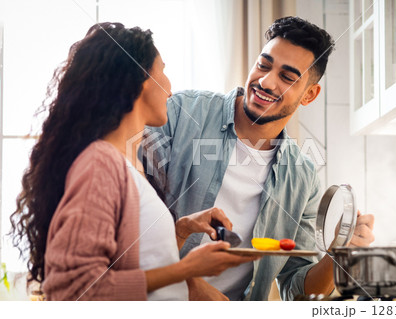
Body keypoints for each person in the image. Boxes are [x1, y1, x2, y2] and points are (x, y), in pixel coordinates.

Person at [9, 22, 257, 301]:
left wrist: (183, 229)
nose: (171, 88)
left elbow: (142, 263)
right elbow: (74, 289)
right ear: (140, 80)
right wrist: (186, 269)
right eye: (163, 70)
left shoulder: (131, 164)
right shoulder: (100, 163)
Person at [141, 16, 375, 301]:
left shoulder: (303, 177)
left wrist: (338, 253)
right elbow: (134, 220)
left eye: (287, 77)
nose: (266, 82)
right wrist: (190, 284)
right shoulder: (180, 114)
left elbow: (298, 290)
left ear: (309, 95)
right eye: (263, 65)